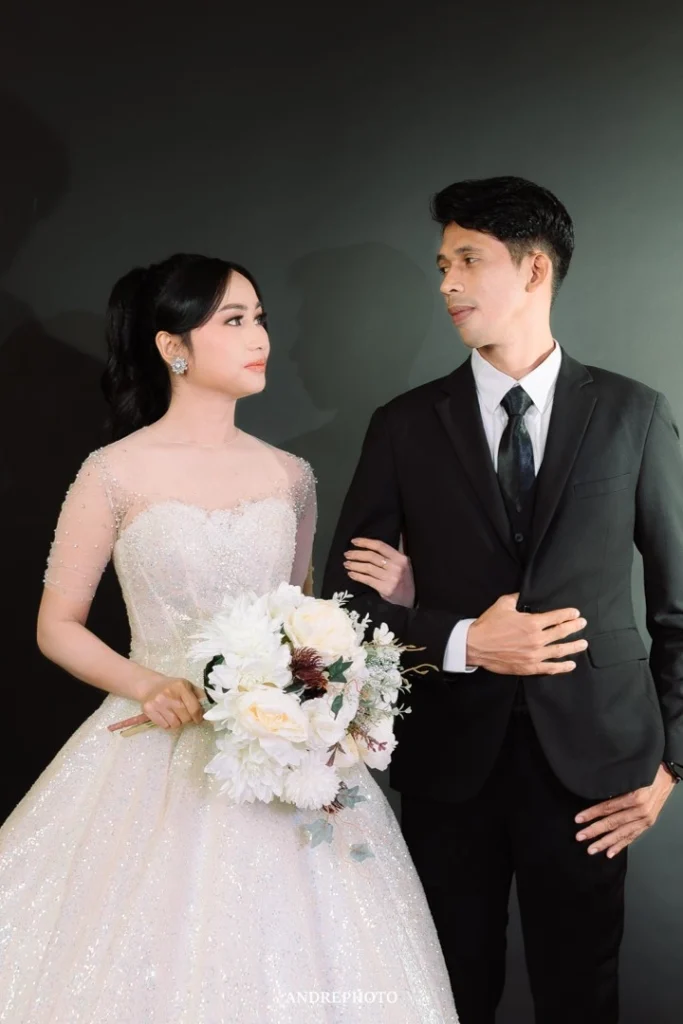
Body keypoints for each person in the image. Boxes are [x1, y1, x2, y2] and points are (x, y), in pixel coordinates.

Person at [0, 253, 458, 1023]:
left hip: (282, 754)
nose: (259, 338)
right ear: (171, 345)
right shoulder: (112, 473)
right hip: (155, 742)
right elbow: (57, 625)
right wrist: (148, 684)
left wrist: (388, 612)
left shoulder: (290, 477)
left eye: (260, 319)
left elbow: (300, 620)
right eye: (234, 320)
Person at [324, 176, 683, 1024]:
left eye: (466, 261)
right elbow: (343, 608)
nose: (446, 283)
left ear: (533, 270)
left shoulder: (633, 414)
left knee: (581, 998)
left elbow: (677, 610)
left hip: (596, 772)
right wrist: (462, 640)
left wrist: (672, 765)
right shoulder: (404, 425)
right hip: (448, 762)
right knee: (447, 992)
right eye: (440, 265)